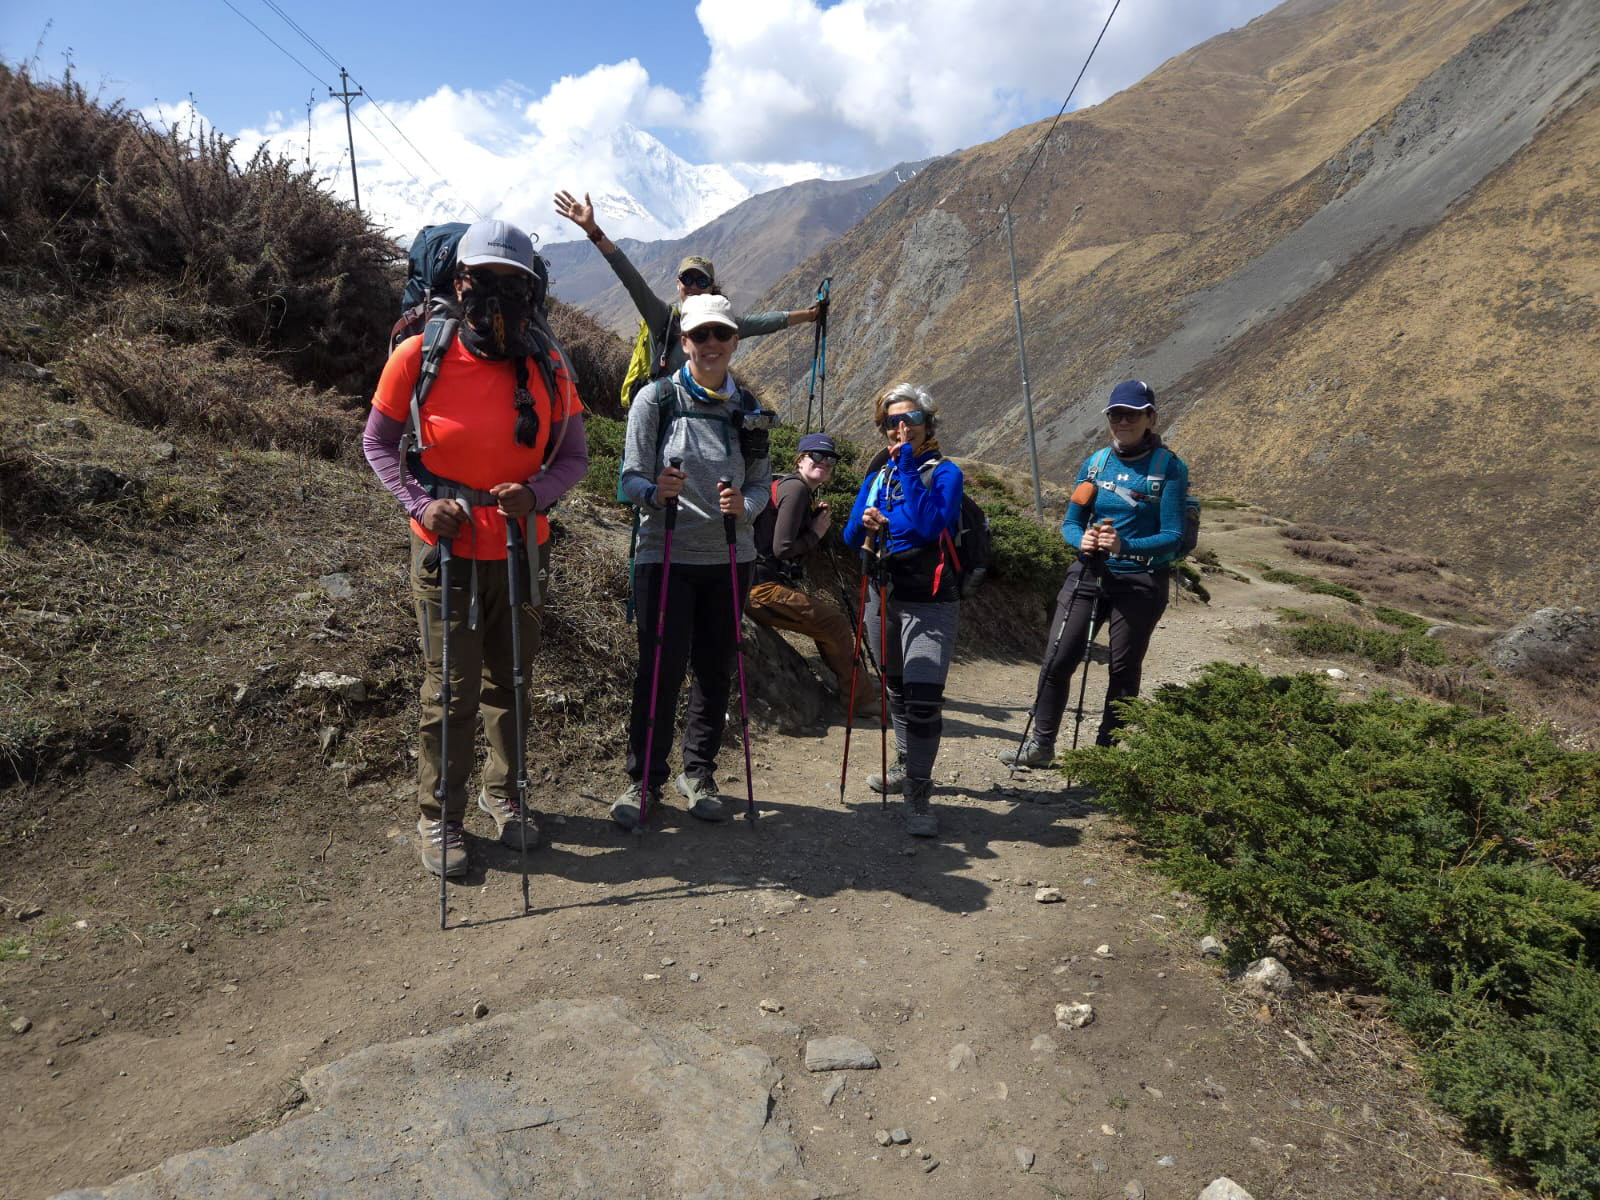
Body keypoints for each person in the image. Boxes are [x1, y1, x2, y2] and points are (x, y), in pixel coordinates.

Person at [364, 219, 588, 878]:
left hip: (521, 547)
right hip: (447, 549)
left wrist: (538, 493)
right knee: (451, 689)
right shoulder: (418, 356)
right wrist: (419, 503)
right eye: (483, 280)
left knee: (512, 681)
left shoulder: (547, 363)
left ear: (532, 289)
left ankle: (506, 793)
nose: (497, 296)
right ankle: (440, 816)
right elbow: (378, 444)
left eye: (512, 284)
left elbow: (572, 456)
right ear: (457, 282)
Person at [612, 293, 772, 829]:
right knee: (658, 669)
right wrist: (655, 492)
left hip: (729, 555)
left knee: (713, 667)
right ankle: (644, 780)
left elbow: (760, 484)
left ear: (733, 341)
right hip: (665, 552)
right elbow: (627, 478)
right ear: (683, 342)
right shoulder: (654, 401)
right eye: (699, 335)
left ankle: (698, 772)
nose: (710, 345)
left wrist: (743, 508)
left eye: (720, 335)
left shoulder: (748, 411)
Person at [1001, 379, 1188, 767]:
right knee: (1056, 659)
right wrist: (1080, 541)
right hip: (1088, 574)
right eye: (1115, 414)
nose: (1122, 421)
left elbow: (1173, 535)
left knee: (1122, 668)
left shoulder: (1170, 469)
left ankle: (1106, 758)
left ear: (1150, 417)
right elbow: (1070, 522)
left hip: (1141, 582)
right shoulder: (1095, 462)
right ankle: (1041, 745)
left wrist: (1126, 546)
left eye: (1132, 414)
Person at [553, 189, 822, 400]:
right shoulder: (663, 318)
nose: (693, 286)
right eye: (687, 278)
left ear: (711, 286)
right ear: (677, 283)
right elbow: (629, 277)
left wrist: (811, 316)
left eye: (701, 280)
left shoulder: (723, 323)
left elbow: (769, 321)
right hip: (663, 409)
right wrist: (593, 231)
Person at [841, 384, 964, 837]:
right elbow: (850, 537)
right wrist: (868, 521)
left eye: (910, 419)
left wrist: (908, 465)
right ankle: (904, 762)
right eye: (891, 422)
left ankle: (919, 791)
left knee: (924, 699)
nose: (900, 427)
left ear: (928, 423)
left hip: (930, 600)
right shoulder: (877, 473)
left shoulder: (946, 472)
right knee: (895, 689)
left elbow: (931, 524)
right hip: (882, 594)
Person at [747, 433, 875, 717]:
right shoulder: (797, 490)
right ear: (800, 459)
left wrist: (811, 522)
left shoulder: (792, 489)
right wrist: (816, 533)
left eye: (830, 458)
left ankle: (854, 693)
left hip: (753, 583)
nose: (824, 462)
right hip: (762, 589)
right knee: (836, 623)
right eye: (816, 455)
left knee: (827, 623)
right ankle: (861, 700)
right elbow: (782, 549)